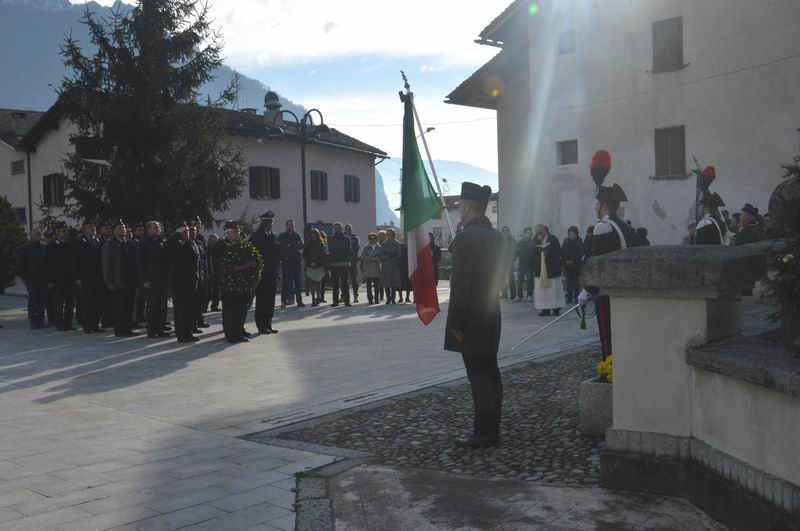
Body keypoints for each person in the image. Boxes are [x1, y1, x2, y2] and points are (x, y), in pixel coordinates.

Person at [444, 182, 505, 449]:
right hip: (491, 311)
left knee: (478, 374)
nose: (460, 211)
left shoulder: (466, 238)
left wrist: (455, 322)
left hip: (471, 316)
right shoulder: (498, 237)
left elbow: (460, 285)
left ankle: (483, 431)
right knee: (491, 371)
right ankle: (493, 429)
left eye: (461, 207)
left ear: (468, 208)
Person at [578, 182, 639, 360]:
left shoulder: (603, 226)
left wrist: (588, 290)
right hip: (627, 289)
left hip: (608, 292)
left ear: (604, 206)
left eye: (597, 203)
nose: (595, 207)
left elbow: (599, 263)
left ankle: (610, 369)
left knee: (608, 335)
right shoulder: (625, 227)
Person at [219, 221, 255, 343]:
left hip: (242, 283)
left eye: (238, 231)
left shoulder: (242, 245)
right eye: (234, 232)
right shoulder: (222, 245)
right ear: (228, 233)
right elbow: (225, 266)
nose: (237, 234)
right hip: (229, 284)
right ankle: (231, 334)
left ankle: (239, 331)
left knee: (241, 308)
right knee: (230, 310)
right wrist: (243, 266)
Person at [102, 220, 139, 337]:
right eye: (119, 228)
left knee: (128, 306)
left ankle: (127, 328)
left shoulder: (130, 244)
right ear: (114, 231)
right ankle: (119, 330)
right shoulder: (109, 245)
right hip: (117, 282)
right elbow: (107, 265)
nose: (122, 230)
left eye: (123, 228)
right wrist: (109, 282)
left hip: (130, 281)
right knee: (119, 308)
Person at [166, 223, 200, 342]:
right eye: (184, 232)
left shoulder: (190, 244)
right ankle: (181, 334)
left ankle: (188, 332)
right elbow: (167, 248)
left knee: (189, 309)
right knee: (180, 309)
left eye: (187, 231)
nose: (187, 233)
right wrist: (176, 236)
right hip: (179, 282)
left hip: (191, 281)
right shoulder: (175, 244)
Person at [250, 211, 281, 333]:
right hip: (261, 275)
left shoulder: (274, 236)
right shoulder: (256, 237)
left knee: (270, 301)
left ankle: (268, 324)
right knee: (262, 301)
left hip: (272, 274)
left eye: (271, 223)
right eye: (268, 223)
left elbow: (277, 256)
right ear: (263, 223)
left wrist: (278, 273)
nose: (270, 225)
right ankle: (261, 326)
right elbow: (253, 255)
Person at [137, 221, 169, 338]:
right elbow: (141, 263)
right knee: (152, 306)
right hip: (151, 280)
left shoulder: (161, 241)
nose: (157, 230)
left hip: (162, 279)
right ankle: (151, 330)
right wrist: (145, 280)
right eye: (154, 228)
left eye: (158, 228)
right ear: (148, 229)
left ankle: (160, 328)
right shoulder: (144, 242)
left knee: (162, 305)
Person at [46, 221, 76, 331]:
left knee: (70, 304)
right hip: (57, 281)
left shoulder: (69, 245)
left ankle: (68, 323)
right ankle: (59, 323)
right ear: (57, 232)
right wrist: (49, 281)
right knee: (58, 304)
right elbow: (48, 265)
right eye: (63, 231)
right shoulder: (51, 246)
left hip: (69, 280)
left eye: (66, 231)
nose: (66, 233)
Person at [16, 229, 48, 329]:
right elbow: (20, 264)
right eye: (36, 235)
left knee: (42, 300)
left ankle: (40, 319)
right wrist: (24, 278)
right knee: (32, 300)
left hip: (42, 278)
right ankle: (33, 320)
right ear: (31, 236)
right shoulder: (25, 249)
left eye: (39, 234)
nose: (38, 236)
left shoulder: (44, 248)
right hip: (31, 278)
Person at [532, 224, 563, 316]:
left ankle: (556, 308)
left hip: (552, 270)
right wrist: (541, 252)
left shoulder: (553, 239)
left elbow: (558, 251)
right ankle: (545, 309)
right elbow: (532, 251)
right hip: (540, 270)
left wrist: (548, 253)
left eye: (540, 232)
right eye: (537, 233)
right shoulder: (535, 240)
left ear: (545, 231)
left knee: (553, 291)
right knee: (542, 292)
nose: (539, 234)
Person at [278, 219, 305, 308]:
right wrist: (293, 246)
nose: (291, 226)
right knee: (285, 281)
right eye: (290, 225)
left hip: (296, 261)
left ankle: (299, 301)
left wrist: (291, 245)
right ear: (286, 226)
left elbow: (302, 245)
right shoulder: (282, 235)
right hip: (286, 261)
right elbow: (282, 246)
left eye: (293, 225)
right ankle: (283, 301)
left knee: (297, 282)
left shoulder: (297, 235)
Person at [190, 223, 210, 330]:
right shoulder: (188, 243)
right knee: (193, 302)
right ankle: (193, 323)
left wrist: (208, 273)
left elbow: (205, 259)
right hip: (194, 277)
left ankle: (200, 319)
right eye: (194, 229)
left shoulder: (200, 242)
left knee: (201, 300)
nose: (196, 230)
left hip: (202, 275)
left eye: (198, 228)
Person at [328, 222, 352, 307]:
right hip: (334, 264)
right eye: (335, 228)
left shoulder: (347, 238)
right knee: (335, 284)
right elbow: (330, 250)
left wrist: (345, 258)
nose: (337, 229)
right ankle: (335, 301)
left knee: (345, 283)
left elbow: (348, 250)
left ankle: (347, 301)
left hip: (344, 264)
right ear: (334, 229)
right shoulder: (331, 239)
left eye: (339, 228)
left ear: (342, 229)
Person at [303, 228, 328, 307]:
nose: (313, 236)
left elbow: (324, 255)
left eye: (315, 235)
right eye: (312, 235)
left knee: (318, 284)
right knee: (312, 284)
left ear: (317, 235)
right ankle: (313, 299)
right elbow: (305, 255)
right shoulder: (308, 244)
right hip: (310, 266)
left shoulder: (321, 243)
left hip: (319, 266)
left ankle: (318, 298)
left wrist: (316, 262)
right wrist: (310, 262)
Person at [380, 229, 402, 304]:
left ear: (393, 235)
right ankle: (388, 298)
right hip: (386, 265)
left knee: (394, 282)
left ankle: (393, 299)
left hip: (394, 265)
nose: (389, 236)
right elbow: (381, 255)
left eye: (390, 234)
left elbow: (399, 254)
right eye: (388, 234)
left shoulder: (397, 243)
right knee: (386, 283)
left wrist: (394, 256)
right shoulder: (383, 243)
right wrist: (388, 256)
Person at [562, 226, 583, 304]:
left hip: (576, 265)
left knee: (576, 282)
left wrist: (573, 260)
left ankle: (576, 297)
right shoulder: (566, 241)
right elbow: (562, 251)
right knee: (568, 282)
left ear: (576, 234)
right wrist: (564, 261)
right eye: (569, 234)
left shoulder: (579, 241)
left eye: (572, 234)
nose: (571, 235)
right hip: (567, 265)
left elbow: (580, 253)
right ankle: (569, 297)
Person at [131, 223, 147, 325]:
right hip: (136, 275)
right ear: (134, 231)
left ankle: (141, 316)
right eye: (139, 230)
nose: (141, 232)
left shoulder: (144, 241)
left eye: (142, 230)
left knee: (143, 298)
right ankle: (135, 318)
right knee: (137, 299)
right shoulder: (132, 242)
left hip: (143, 274)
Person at [360, 232, 381, 305]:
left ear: (376, 239)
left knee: (376, 286)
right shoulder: (366, 247)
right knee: (368, 286)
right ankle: (370, 299)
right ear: (369, 239)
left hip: (376, 268)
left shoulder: (379, 247)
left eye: (374, 238)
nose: (372, 240)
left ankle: (376, 299)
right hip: (368, 268)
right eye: (371, 239)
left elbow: (381, 257)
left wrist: (374, 259)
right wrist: (372, 258)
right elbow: (363, 257)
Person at [516, 227, 535, 301]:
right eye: (527, 233)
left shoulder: (533, 243)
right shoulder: (520, 243)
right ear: (524, 234)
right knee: (519, 280)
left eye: (530, 233)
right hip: (521, 265)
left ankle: (529, 295)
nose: (529, 235)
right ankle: (519, 295)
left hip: (529, 265)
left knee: (529, 280)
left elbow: (533, 254)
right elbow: (517, 253)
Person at [344, 224, 360, 303]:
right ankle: (343, 296)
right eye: (346, 229)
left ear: (351, 229)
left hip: (353, 260)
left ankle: (355, 295)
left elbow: (357, 248)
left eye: (349, 229)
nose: (348, 231)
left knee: (354, 278)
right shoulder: (342, 238)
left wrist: (352, 256)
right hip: (344, 260)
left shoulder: (355, 238)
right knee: (344, 279)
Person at [499, 227, 516, 299]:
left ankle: (513, 294)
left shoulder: (513, 241)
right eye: (504, 231)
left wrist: (512, 260)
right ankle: (504, 294)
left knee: (510, 277)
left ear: (509, 231)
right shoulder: (500, 240)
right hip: (502, 262)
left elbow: (515, 252)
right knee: (502, 278)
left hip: (509, 262)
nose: (505, 232)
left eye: (506, 231)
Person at [207, 233, 221, 312]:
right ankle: (205, 305)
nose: (214, 242)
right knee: (208, 290)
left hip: (216, 272)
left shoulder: (217, 248)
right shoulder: (207, 248)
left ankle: (214, 305)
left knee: (216, 290)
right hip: (209, 272)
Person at [398, 236, 412, 303]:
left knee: (408, 283)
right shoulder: (400, 247)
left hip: (408, 267)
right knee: (400, 283)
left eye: (407, 240)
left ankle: (407, 297)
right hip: (401, 267)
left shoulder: (410, 247)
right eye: (404, 239)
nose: (405, 241)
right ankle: (400, 298)